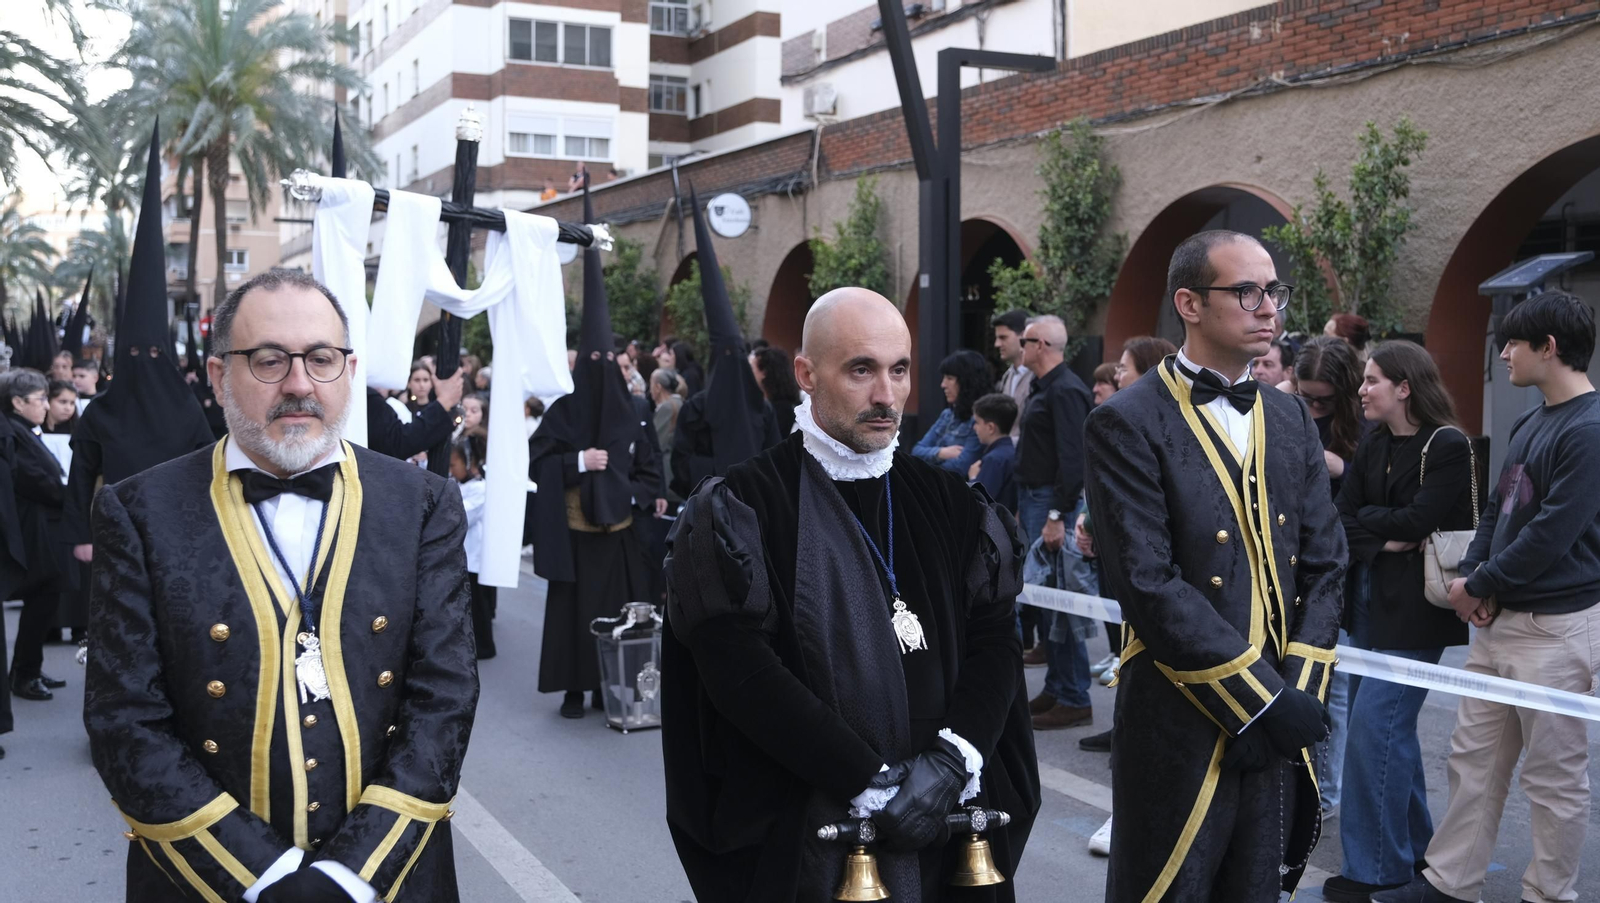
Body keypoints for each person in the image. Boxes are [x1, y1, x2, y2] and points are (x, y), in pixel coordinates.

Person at [83, 268, 478, 903]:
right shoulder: (138, 511)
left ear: (349, 371)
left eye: (321, 359)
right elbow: (124, 719)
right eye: (269, 361)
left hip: (389, 877)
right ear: (219, 376)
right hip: (206, 877)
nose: (299, 384)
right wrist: (264, 877)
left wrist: (350, 875)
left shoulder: (425, 503)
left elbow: (445, 698)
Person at [661, 287, 1039, 901]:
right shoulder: (745, 505)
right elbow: (737, 668)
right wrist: (867, 780)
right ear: (806, 374)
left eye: (899, 370)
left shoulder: (951, 502)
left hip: (949, 814)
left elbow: (995, 638)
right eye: (861, 370)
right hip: (809, 822)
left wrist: (954, 760)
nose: (886, 395)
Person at [1085, 230, 1343, 902]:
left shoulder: (1291, 417)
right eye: (1248, 292)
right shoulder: (1126, 421)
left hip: (1279, 717)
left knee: (1254, 890)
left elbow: (1326, 562)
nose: (1270, 308)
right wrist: (1257, 704)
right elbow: (1148, 582)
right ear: (1190, 304)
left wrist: (1296, 697)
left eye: (1274, 291)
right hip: (1180, 717)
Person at [1376, 291, 1600, 903]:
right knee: (1472, 760)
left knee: (1553, 778)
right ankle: (1451, 883)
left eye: (1512, 343)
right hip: (1501, 620)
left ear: (1548, 348)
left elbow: (1553, 531)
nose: (1502, 354)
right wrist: (1473, 576)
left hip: (1558, 626)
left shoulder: (1589, 429)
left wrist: (1477, 584)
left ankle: (1549, 895)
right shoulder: (1531, 421)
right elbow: (1499, 512)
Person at [1320, 341, 1474, 903]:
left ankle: (1375, 871)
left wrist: (1375, 524)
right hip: (1366, 603)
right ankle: (1415, 851)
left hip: (1417, 612)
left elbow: (1420, 520)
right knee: (1389, 734)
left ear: (1405, 387)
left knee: (1374, 732)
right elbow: (1342, 516)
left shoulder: (1448, 444)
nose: (1361, 390)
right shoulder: (1375, 441)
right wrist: (1386, 537)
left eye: (1372, 380)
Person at [63, 125, 216, 608]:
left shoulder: (187, 411)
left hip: (182, 532)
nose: (144, 366)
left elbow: (212, 472)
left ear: (165, 358)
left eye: (153, 356)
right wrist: (80, 535)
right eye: (135, 356)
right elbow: (80, 479)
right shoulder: (100, 413)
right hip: (116, 533)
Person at [528, 179, 663, 719]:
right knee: (573, 617)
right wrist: (577, 462)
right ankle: (574, 690)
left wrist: (632, 492)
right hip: (576, 535)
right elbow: (539, 460)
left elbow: (651, 470)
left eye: (611, 363)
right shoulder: (564, 411)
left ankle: (614, 689)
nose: (604, 371)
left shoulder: (634, 412)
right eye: (595, 363)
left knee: (618, 615)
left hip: (619, 537)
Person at [1290, 334, 1365, 814]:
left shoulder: (1363, 429)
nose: (1314, 408)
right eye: (1306, 397)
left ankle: (1327, 793)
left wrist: (1343, 468)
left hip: (1340, 570)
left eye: (1324, 401)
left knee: (1334, 690)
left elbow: (1370, 499)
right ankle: (1302, 785)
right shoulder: (1287, 411)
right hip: (1291, 562)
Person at [668, 195, 783, 499]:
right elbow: (680, 462)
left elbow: (774, 459)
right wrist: (723, 475)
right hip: (706, 504)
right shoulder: (697, 408)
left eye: (737, 356)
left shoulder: (762, 408)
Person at [1014, 314, 1095, 730]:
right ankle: (1058, 686)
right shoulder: (1045, 386)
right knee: (1045, 600)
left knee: (1061, 602)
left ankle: (1075, 696)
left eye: (1025, 341)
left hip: (1050, 501)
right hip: (1036, 499)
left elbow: (1073, 459)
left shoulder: (1065, 390)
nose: (1020, 347)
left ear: (1041, 345)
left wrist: (1055, 515)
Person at [5, 369, 69, 702]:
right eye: (40, 399)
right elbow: (35, 479)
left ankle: (28, 667)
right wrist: (67, 494)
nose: (46, 405)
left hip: (39, 525)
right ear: (17, 402)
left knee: (45, 596)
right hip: (30, 527)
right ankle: (25, 673)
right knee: (42, 593)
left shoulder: (23, 430)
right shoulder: (12, 433)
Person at [451, 431, 495, 660]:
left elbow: (461, 514)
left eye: (454, 464)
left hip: (475, 556)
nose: (451, 470)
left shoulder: (480, 489)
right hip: (464, 555)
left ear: (469, 462)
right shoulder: (458, 484)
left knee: (477, 607)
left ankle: (485, 647)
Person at [911, 350, 989, 475]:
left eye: (950, 378)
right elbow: (916, 451)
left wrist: (926, 469)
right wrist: (941, 452)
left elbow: (961, 466)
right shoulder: (947, 415)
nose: (943, 385)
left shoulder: (979, 420)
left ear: (967, 382)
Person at [364, 366, 462, 460]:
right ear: (409, 383)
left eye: (425, 380)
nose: (421, 385)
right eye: (417, 380)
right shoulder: (397, 404)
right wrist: (443, 402)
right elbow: (397, 443)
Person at [967, 392, 1017, 512]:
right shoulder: (1012, 452)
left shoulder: (994, 459)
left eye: (977, 422)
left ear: (990, 428)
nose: (974, 427)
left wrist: (973, 478)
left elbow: (980, 502)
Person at [992, 309, 1033, 441]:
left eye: (1003, 337)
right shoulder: (1007, 377)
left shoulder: (1039, 377)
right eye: (997, 338)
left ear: (1023, 336)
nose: (997, 344)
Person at [751, 345, 802, 436]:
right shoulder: (766, 405)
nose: (748, 373)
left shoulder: (781, 411)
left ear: (764, 372)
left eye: (751, 368)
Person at [650, 369, 684, 497]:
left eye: (651, 384)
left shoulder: (667, 407)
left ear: (658, 387)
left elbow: (656, 442)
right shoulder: (680, 402)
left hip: (667, 471)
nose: (650, 389)